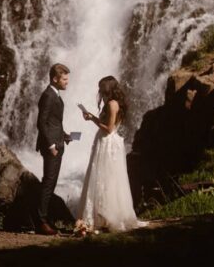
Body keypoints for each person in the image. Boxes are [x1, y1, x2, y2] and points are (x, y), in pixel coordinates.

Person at [77, 75, 139, 231]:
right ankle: (101, 216)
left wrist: (92, 118)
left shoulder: (112, 104)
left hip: (108, 143)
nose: (100, 93)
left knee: (106, 178)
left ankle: (108, 217)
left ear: (108, 90)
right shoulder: (111, 103)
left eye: (102, 90)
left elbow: (109, 128)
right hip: (104, 141)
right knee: (102, 178)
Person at [35, 62, 79, 235]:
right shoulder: (48, 95)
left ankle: (46, 219)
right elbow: (41, 123)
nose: (67, 82)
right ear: (55, 79)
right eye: (65, 79)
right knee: (48, 183)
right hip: (52, 146)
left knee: (51, 183)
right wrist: (51, 145)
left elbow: (53, 122)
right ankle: (41, 222)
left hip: (57, 142)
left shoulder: (55, 94)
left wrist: (65, 136)